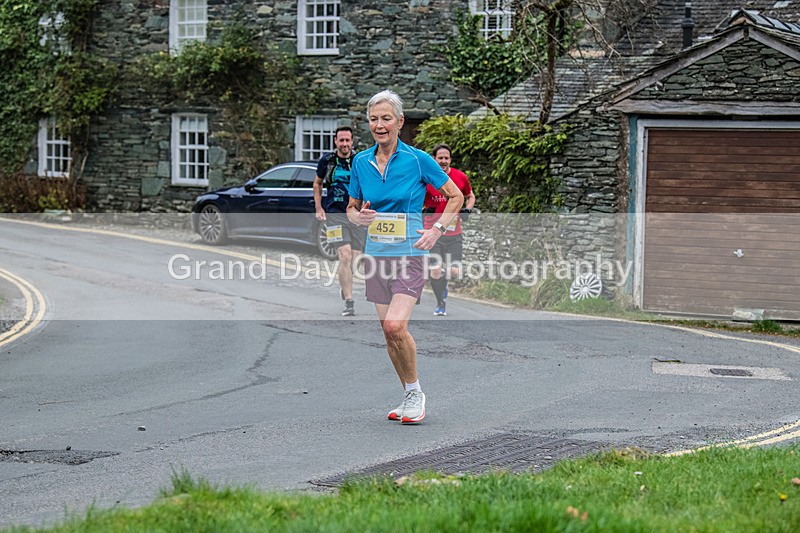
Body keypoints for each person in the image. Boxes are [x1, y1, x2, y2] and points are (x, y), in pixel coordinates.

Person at [347, 90, 463, 424]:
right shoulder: (361, 162)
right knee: (389, 332)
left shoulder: (418, 159)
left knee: (396, 325)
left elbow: (455, 197)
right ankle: (409, 393)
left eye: (386, 118)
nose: (379, 125)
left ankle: (416, 394)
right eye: (373, 119)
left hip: (411, 254)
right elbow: (352, 208)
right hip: (376, 256)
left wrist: (436, 230)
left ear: (399, 122)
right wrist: (359, 218)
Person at [313, 126, 366, 316]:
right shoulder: (327, 161)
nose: (344, 144)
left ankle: (345, 283)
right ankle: (349, 301)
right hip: (334, 213)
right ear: (335, 141)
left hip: (356, 213)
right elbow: (317, 183)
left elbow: (368, 184)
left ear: (352, 141)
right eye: (341, 140)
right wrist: (319, 208)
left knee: (356, 257)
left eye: (347, 140)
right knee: (344, 255)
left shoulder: (360, 160)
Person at [423, 143, 476, 316]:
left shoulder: (460, 177)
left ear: (450, 160)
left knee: (454, 271)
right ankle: (440, 302)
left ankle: (444, 281)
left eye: (446, 158)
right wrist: (424, 210)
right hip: (433, 233)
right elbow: (417, 201)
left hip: (454, 232)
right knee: (435, 270)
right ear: (434, 159)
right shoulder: (427, 179)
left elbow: (470, 196)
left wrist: (468, 209)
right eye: (440, 158)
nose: (443, 161)